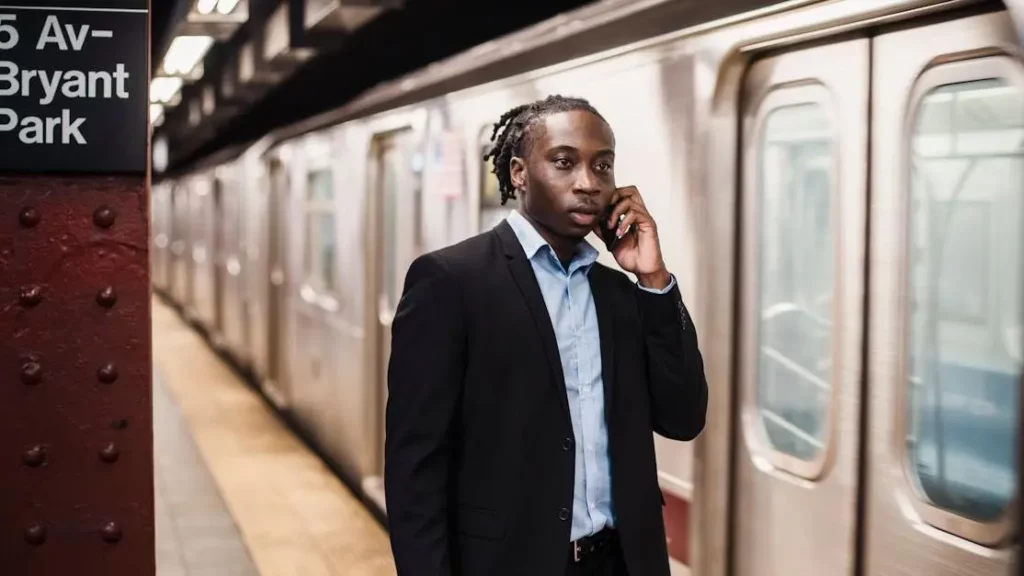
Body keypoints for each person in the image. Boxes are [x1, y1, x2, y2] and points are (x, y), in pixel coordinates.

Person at [384, 94, 708, 576]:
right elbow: (416, 468)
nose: (587, 184)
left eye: (603, 167)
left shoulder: (619, 293)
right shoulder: (452, 282)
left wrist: (654, 280)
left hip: (621, 563)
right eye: (564, 163)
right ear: (519, 173)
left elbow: (683, 416)